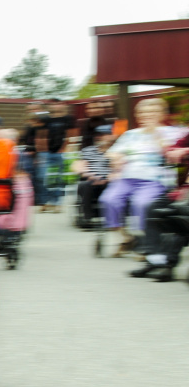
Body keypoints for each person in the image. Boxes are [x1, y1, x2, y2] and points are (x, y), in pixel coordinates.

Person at [100, 98, 185, 257]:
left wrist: (155, 133)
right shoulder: (130, 134)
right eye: (143, 112)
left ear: (162, 114)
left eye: (152, 112)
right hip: (127, 176)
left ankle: (145, 241)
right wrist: (115, 158)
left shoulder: (174, 132)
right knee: (109, 199)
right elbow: (113, 151)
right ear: (137, 115)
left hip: (155, 178)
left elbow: (171, 154)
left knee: (141, 203)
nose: (147, 115)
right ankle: (124, 237)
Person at [129, 132, 189, 281]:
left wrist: (186, 151)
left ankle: (168, 265)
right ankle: (154, 260)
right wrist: (176, 151)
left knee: (179, 214)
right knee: (154, 209)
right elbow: (171, 149)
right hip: (182, 191)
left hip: (185, 194)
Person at [35, 98, 76, 213]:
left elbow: (71, 135)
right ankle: (44, 202)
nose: (55, 106)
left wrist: (64, 149)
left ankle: (56, 203)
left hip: (61, 153)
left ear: (63, 105)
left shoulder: (68, 118)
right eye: (52, 104)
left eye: (58, 103)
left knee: (58, 179)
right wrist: (42, 150)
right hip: (46, 153)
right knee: (43, 178)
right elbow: (41, 135)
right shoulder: (45, 119)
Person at [71, 124, 114, 228]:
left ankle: (112, 218)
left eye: (105, 135)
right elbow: (79, 165)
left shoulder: (116, 151)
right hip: (91, 179)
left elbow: (118, 168)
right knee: (85, 185)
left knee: (116, 186)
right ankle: (87, 218)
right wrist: (88, 174)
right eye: (99, 135)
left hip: (109, 180)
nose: (101, 137)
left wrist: (107, 178)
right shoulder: (88, 150)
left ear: (111, 136)